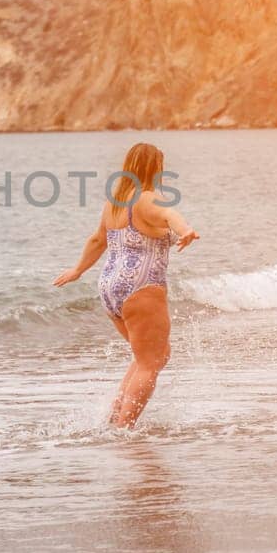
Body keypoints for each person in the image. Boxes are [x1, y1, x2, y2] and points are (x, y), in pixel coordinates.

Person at [52, 142, 198, 427]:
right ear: (156, 168)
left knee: (151, 356)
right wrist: (185, 231)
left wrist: (78, 270)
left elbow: (97, 240)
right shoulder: (147, 198)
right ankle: (123, 429)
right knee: (149, 362)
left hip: (110, 287)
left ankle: (115, 418)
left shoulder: (114, 202)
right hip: (141, 286)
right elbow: (171, 216)